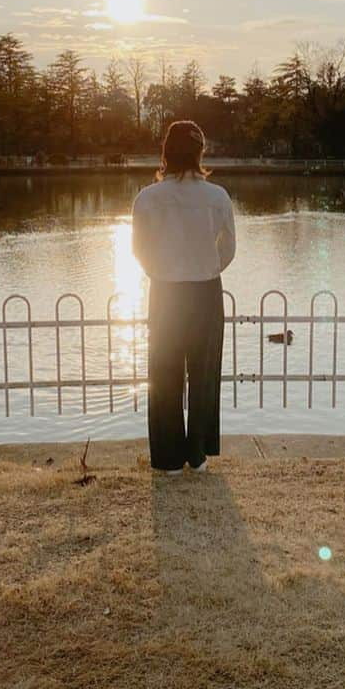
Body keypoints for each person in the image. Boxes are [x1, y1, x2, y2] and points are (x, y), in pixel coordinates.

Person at [132, 121, 236, 477]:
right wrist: (206, 268)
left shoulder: (147, 197)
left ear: (166, 152)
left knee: (163, 373)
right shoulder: (217, 196)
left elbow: (138, 250)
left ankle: (168, 457)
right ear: (199, 152)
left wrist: (161, 271)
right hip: (206, 291)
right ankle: (198, 454)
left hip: (165, 292)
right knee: (204, 373)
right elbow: (229, 249)